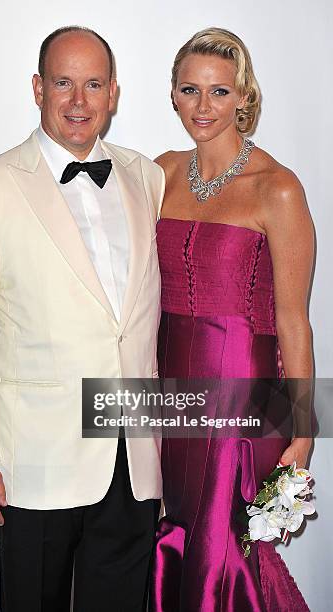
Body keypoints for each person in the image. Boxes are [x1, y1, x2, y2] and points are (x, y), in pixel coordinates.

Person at [0, 26, 165, 612]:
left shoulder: (146, 177)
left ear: (114, 93)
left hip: (132, 463)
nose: (78, 102)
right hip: (31, 466)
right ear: (38, 88)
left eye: (93, 85)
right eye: (63, 83)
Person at [151, 27, 313, 611]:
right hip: (165, 387)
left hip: (240, 392)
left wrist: (303, 431)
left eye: (219, 93)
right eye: (190, 90)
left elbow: (294, 321)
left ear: (243, 96)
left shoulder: (279, 189)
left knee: (221, 541)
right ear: (172, 94)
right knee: (168, 532)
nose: (203, 107)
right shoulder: (160, 173)